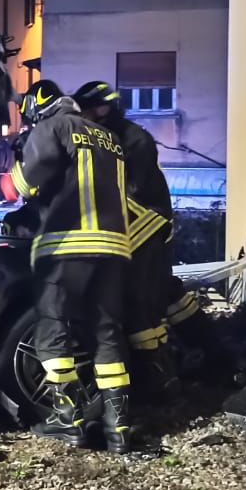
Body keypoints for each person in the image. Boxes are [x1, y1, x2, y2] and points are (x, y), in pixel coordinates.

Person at [9, 80, 135, 452]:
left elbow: (28, 186)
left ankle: (69, 421)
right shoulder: (108, 138)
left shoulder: (51, 128)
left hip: (68, 245)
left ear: (37, 107)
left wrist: (16, 159)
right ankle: (119, 430)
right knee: (108, 333)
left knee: (53, 328)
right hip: (114, 248)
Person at [73, 81, 179, 395]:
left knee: (139, 298)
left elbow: (129, 191)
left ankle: (157, 379)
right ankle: (157, 372)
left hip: (146, 221)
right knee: (149, 296)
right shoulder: (108, 136)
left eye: (90, 108)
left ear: (105, 107)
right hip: (132, 222)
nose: (86, 115)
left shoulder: (135, 140)